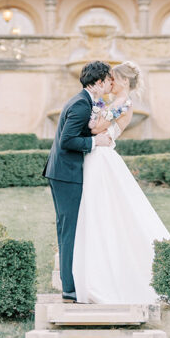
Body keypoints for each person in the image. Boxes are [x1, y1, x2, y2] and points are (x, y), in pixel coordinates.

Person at [72, 60, 170, 304]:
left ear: (125, 81)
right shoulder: (114, 103)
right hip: (99, 157)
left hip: (102, 158)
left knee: (104, 211)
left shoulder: (123, 103)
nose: (110, 83)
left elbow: (96, 128)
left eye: (114, 79)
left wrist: (93, 111)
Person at [43, 60, 114, 303]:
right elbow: (67, 141)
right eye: (106, 80)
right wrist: (96, 142)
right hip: (66, 174)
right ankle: (69, 288)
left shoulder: (83, 101)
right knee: (69, 229)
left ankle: (72, 282)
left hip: (65, 173)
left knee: (69, 228)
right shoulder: (81, 105)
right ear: (97, 82)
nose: (108, 85)